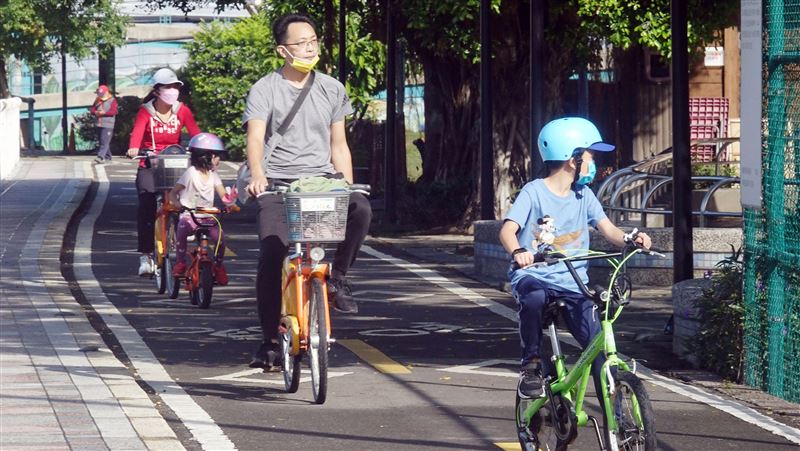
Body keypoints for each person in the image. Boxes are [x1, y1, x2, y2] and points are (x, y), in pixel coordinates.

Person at [242, 13, 372, 369]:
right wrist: (257, 175)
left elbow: (339, 143)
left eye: (313, 40)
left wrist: (346, 183)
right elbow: (254, 137)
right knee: (272, 250)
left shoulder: (332, 88)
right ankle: (269, 339)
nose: (310, 46)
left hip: (321, 180)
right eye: (301, 42)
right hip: (278, 185)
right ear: (283, 50)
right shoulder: (264, 89)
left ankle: (337, 279)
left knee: (360, 209)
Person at [498, 117, 652, 400]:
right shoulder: (534, 192)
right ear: (573, 159)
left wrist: (631, 239)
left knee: (598, 350)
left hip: (574, 284)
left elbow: (608, 229)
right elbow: (508, 230)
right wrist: (519, 252)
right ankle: (530, 366)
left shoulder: (584, 195)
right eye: (591, 155)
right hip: (535, 275)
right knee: (532, 298)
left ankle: (616, 416)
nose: (594, 162)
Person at [127, 68, 201, 277]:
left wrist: (201, 149)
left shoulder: (182, 110)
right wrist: (134, 148)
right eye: (168, 87)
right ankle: (146, 255)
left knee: (187, 199)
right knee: (146, 206)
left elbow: (195, 133)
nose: (172, 91)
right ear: (157, 91)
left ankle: (185, 230)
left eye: (175, 87)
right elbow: (136, 135)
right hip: (150, 165)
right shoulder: (146, 112)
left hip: (175, 163)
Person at [169, 133, 234, 285]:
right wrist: (177, 204)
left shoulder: (214, 175)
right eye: (217, 156)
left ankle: (218, 266)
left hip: (208, 216)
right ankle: (180, 262)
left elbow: (223, 195)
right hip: (190, 215)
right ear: (209, 156)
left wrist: (230, 204)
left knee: (220, 239)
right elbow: (173, 192)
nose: (219, 160)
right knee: (182, 230)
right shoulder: (191, 173)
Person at [90, 84, 118, 163]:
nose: (100, 95)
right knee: (104, 141)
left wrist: (104, 113)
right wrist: (96, 112)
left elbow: (114, 111)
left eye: (102, 93)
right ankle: (108, 157)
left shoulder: (112, 100)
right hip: (99, 123)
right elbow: (92, 109)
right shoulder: (97, 100)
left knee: (104, 141)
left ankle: (100, 157)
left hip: (108, 124)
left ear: (106, 92)